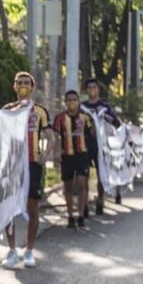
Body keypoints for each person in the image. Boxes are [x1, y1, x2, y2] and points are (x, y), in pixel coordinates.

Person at [2, 72, 56, 269]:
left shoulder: (40, 111)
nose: (23, 85)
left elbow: (51, 137)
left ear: (32, 87)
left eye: (27, 83)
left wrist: (46, 154)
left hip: (33, 164)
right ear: (14, 86)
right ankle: (11, 250)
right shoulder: (7, 110)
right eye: (19, 83)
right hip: (12, 165)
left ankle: (30, 250)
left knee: (33, 205)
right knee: (8, 208)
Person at [53, 90, 95, 229]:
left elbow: (91, 135)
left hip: (82, 155)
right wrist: (57, 152)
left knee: (82, 183)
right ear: (65, 102)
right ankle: (70, 215)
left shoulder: (85, 117)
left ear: (78, 101)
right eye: (69, 100)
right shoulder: (60, 118)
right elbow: (56, 136)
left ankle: (81, 214)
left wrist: (92, 153)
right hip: (67, 156)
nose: (72, 102)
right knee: (68, 186)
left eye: (74, 99)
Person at [82, 78, 122, 213]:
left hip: (102, 146)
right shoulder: (82, 107)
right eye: (89, 87)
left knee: (101, 174)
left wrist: (105, 117)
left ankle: (100, 200)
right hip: (86, 145)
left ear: (98, 89)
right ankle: (85, 204)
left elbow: (117, 123)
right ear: (86, 90)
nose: (92, 90)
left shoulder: (104, 107)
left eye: (94, 87)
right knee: (83, 176)